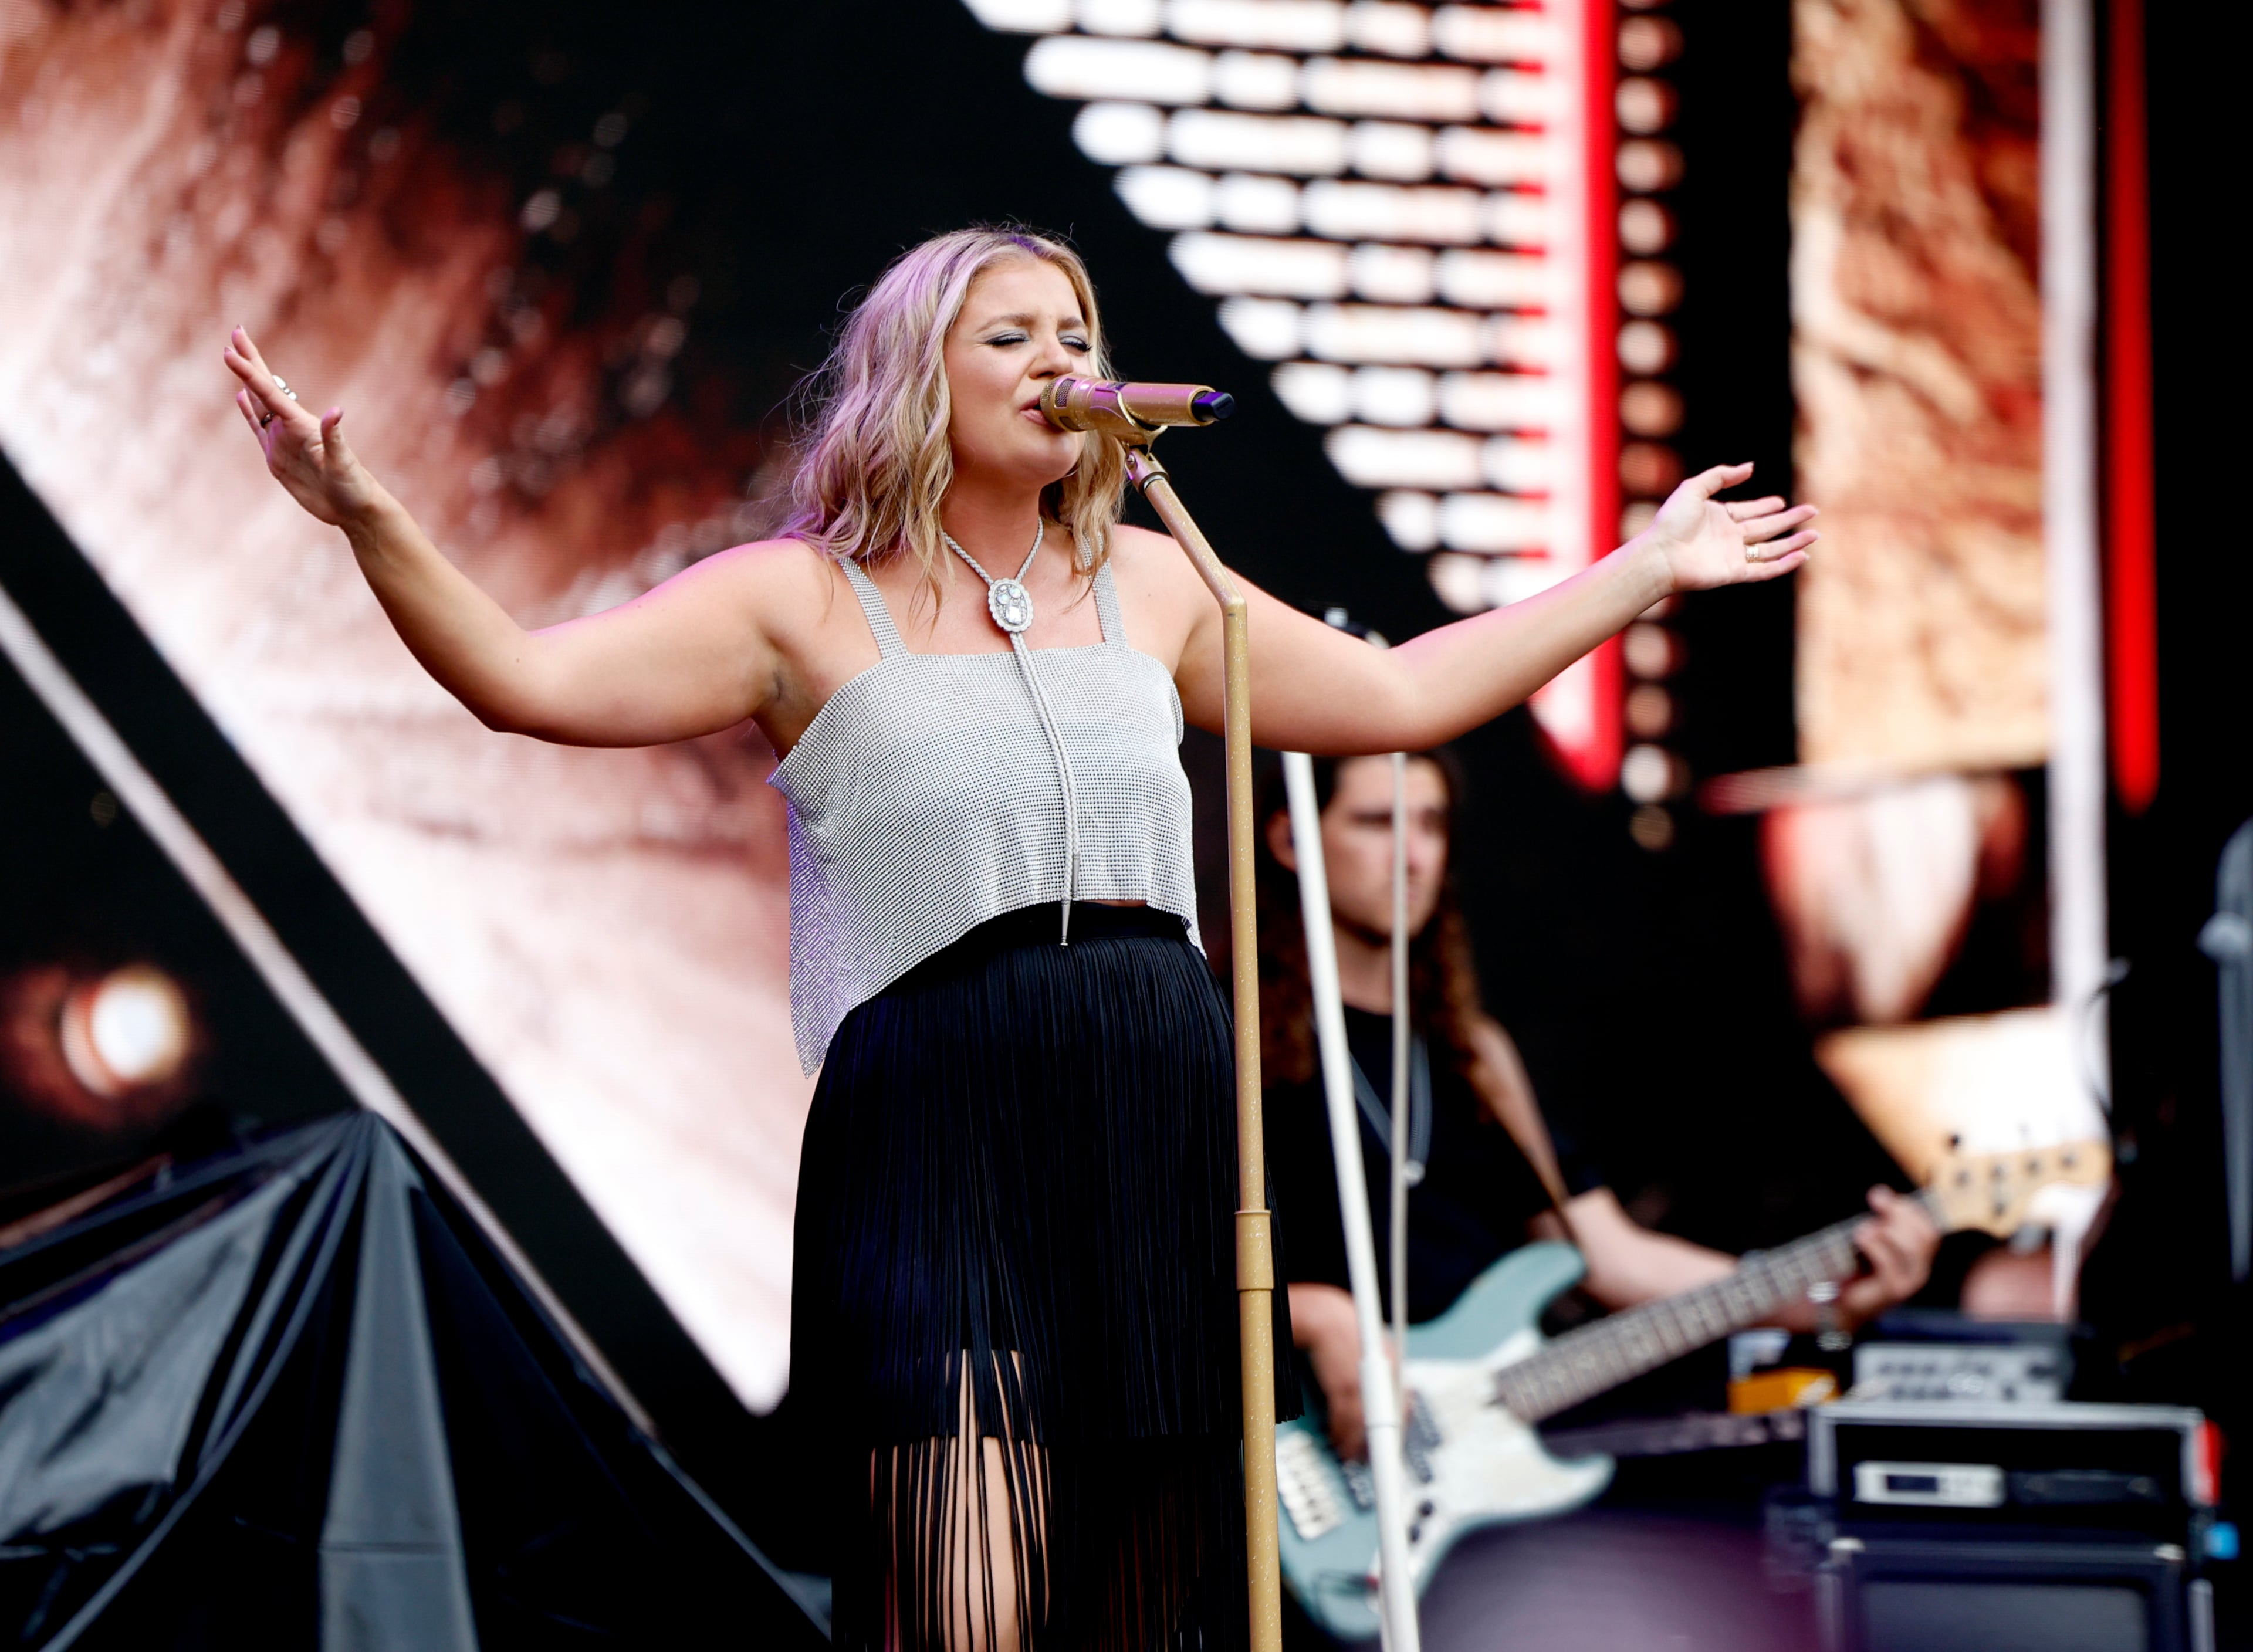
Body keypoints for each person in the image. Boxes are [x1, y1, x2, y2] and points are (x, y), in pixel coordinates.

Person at [224, 224, 1820, 1652]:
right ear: (918, 377)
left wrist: (1638, 576)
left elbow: (1399, 700)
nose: (1063, 363)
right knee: (966, 1578)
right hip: (940, 1101)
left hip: (1148, 1078)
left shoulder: (1156, 581)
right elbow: (526, 682)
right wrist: (364, 515)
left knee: (1140, 1583)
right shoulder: (797, 602)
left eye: (1077, 336)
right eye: (1016, 337)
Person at [1262, 750, 1941, 1462]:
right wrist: (1316, 1315)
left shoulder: (1473, 1053)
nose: (1413, 856)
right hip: (1296, 1450)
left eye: (1431, 824)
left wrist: (1821, 1296)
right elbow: (1151, 1282)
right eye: (1378, 822)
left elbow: (1607, 1256)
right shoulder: (1229, 1039)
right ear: (1288, 840)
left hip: (1464, 1464)